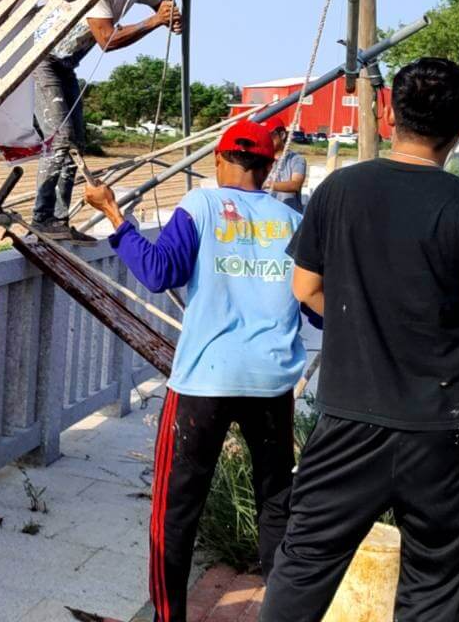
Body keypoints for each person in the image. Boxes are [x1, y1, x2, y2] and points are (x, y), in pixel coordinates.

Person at [259, 58, 459, 622]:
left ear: (387, 113)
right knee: (436, 586)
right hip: (443, 431)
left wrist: (362, 326)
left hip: (347, 422)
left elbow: (306, 286)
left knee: (303, 567)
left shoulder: (340, 189)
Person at [83, 120, 306, 622]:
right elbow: (314, 306)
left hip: (205, 380)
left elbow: (161, 272)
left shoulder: (203, 205)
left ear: (222, 161)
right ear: (269, 167)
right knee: (277, 499)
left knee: (176, 507)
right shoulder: (292, 221)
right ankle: (283, 611)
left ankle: (170, 618)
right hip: (271, 382)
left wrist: (115, 216)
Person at [32, 0, 181, 240]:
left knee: (76, 143)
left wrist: (170, 15)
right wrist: (154, 22)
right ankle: (43, 219)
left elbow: (159, 6)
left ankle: (58, 222)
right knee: (61, 142)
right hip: (45, 60)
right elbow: (107, 40)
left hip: (67, 65)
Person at [265, 122, 308, 212]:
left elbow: (295, 184)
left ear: (282, 135)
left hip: (289, 215)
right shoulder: (261, 160)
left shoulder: (297, 159)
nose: (267, 139)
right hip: (266, 214)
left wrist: (267, 185)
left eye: (270, 135)